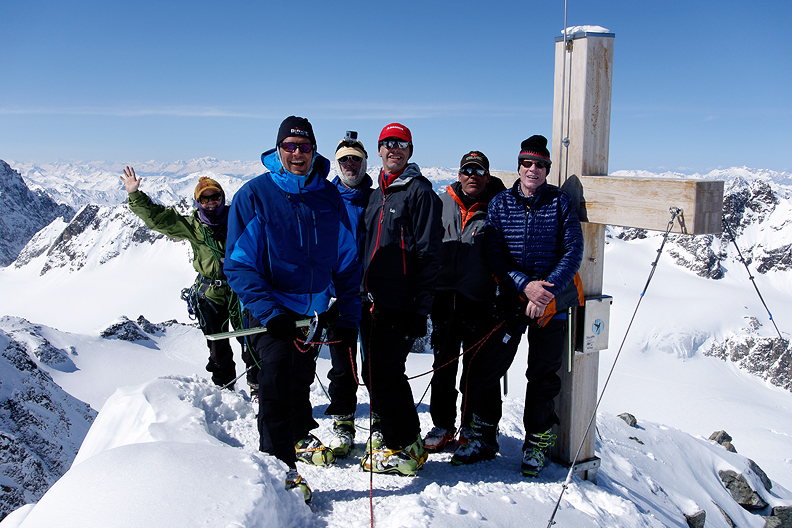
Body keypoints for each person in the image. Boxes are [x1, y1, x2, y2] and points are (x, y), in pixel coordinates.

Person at [223, 116, 361, 503]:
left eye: (304, 147)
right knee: (277, 382)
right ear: (278, 150)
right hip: (273, 313)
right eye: (290, 146)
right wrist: (271, 313)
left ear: (314, 151)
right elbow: (238, 264)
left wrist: (348, 315)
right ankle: (279, 469)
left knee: (300, 378)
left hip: (313, 314)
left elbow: (347, 262)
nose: (297, 153)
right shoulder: (255, 195)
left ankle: (298, 434)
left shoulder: (328, 198)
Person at [451, 135, 583, 476]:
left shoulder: (561, 203)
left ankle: (536, 442)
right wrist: (526, 286)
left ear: (547, 170)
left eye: (540, 164)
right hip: (512, 298)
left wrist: (545, 292)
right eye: (527, 163)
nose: (533, 169)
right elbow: (494, 253)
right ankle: (485, 435)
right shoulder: (501, 203)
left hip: (552, 303)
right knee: (486, 366)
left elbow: (573, 251)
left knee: (542, 374)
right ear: (520, 166)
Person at [120, 168, 259, 394]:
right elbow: (158, 218)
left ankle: (257, 387)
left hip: (240, 290)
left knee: (252, 340)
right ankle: (225, 389)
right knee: (217, 347)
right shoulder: (194, 226)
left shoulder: (237, 218)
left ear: (222, 197)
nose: (211, 202)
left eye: (215, 197)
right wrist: (135, 195)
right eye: (205, 199)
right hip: (210, 294)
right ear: (197, 202)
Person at [359, 123, 443, 476]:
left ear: (410, 150)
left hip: (400, 303)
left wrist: (420, 309)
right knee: (376, 373)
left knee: (384, 374)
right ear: (379, 150)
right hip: (372, 301)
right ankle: (404, 441)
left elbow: (429, 254)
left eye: (402, 144)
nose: (394, 148)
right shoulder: (377, 193)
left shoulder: (419, 192)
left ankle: (405, 444)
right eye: (388, 143)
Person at [422, 151, 506, 453]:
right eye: (468, 170)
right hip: (444, 297)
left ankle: (472, 426)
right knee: (443, 364)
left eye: (479, 171)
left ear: (487, 176)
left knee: (476, 367)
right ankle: (443, 424)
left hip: (480, 298)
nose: (473, 176)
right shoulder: (440, 202)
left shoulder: (499, 207)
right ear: (459, 175)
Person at [323, 131, 373, 458]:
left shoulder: (379, 198)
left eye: (355, 159)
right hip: (338, 296)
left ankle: (379, 423)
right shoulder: (325, 198)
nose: (350, 164)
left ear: (364, 163)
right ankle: (343, 423)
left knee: (376, 366)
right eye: (344, 160)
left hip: (371, 296)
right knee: (342, 366)